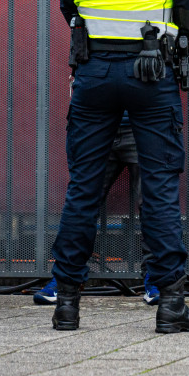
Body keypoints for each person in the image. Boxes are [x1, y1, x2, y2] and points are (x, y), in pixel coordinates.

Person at [51, 0, 189, 333]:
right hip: (149, 72)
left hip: (93, 74)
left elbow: (69, 8)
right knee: (158, 187)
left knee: (84, 188)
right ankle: (171, 305)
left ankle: (66, 303)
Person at [35, 115, 160, 307]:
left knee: (153, 206)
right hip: (99, 123)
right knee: (81, 205)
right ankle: (65, 280)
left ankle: (157, 280)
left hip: (136, 123)